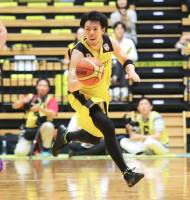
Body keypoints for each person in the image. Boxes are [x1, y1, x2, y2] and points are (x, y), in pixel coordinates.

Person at [51, 11, 144, 187]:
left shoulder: (109, 42)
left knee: (95, 137)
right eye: (87, 29)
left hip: (101, 96)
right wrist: (90, 76)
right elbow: (71, 85)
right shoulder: (79, 51)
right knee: (108, 127)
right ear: (83, 30)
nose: (91, 33)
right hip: (81, 96)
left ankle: (65, 136)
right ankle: (127, 173)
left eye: (95, 29)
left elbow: (125, 58)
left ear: (103, 30)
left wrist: (130, 69)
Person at [13, 78, 58, 156]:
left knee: (49, 126)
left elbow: (53, 114)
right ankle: (33, 150)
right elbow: (14, 106)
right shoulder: (30, 97)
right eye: (40, 85)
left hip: (43, 129)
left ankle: (45, 150)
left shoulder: (51, 99)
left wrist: (40, 108)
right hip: (29, 130)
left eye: (45, 86)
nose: (42, 88)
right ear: (36, 87)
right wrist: (22, 101)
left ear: (48, 89)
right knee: (19, 152)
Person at [111, 21, 138, 101]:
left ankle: (115, 90)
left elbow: (134, 57)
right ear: (114, 30)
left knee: (122, 64)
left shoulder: (129, 42)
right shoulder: (109, 41)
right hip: (111, 65)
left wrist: (121, 58)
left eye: (121, 28)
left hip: (125, 66)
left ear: (124, 31)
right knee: (118, 63)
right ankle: (124, 91)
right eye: (117, 28)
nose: (119, 30)